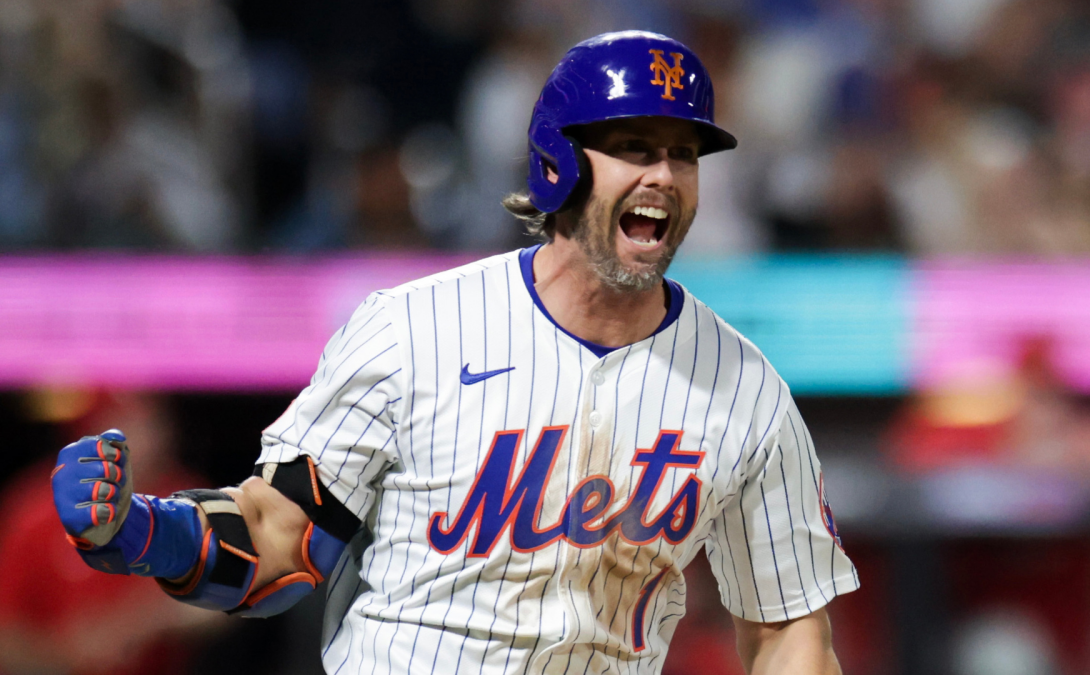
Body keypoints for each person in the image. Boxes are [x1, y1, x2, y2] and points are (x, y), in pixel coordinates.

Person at [50, 31, 858, 674]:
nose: (666, 175)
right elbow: (279, 545)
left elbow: (788, 628)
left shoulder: (743, 386)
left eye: (683, 154)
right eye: (635, 148)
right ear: (559, 162)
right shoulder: (413, 329)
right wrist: (140, 530)